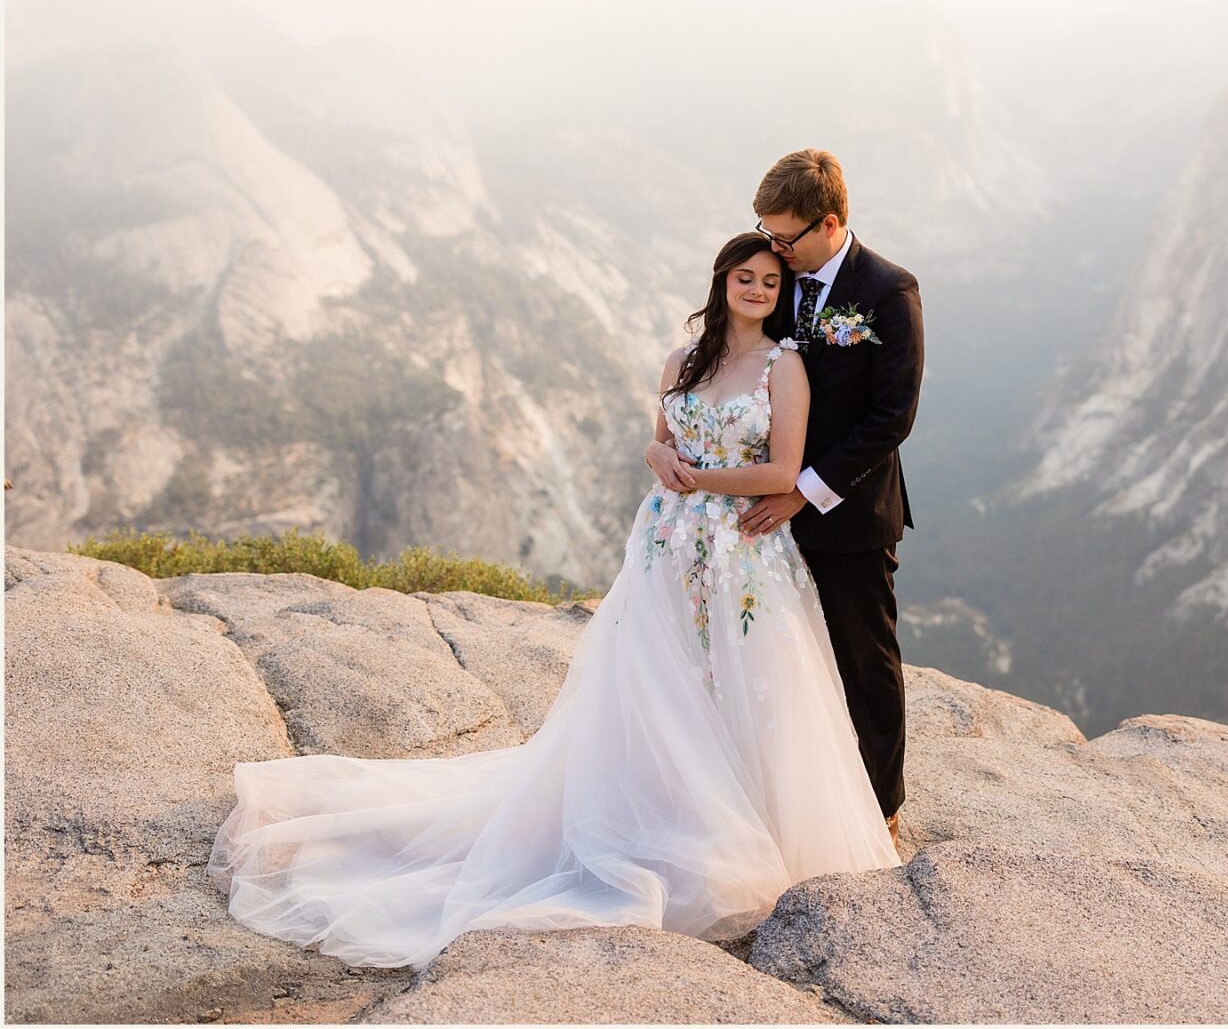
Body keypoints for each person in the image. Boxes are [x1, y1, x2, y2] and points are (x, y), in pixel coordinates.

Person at [207, 232, 901, 972]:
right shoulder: (683, 360)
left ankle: (745, 823)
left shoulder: (783, 366)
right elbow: (660, 440)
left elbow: (783, 471)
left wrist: (696, 478)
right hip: (666, 546)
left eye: (770, 281)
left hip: (743, 552)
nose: (757, 290)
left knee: (745, 683)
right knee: (660, 683)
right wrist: (659, 456)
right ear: (722, 282)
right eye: (745, 277)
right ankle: (664, 812)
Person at [646, 149, 924, 846]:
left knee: (862, 658)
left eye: (785, 236)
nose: (773, 248)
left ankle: (880, 808)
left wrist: (801, 489)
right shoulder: (780, 279)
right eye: (764, 233)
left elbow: (892, 416)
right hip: (750, 518)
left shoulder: (888, 290)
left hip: (847, 510)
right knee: (774, 661)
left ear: (828, 223)